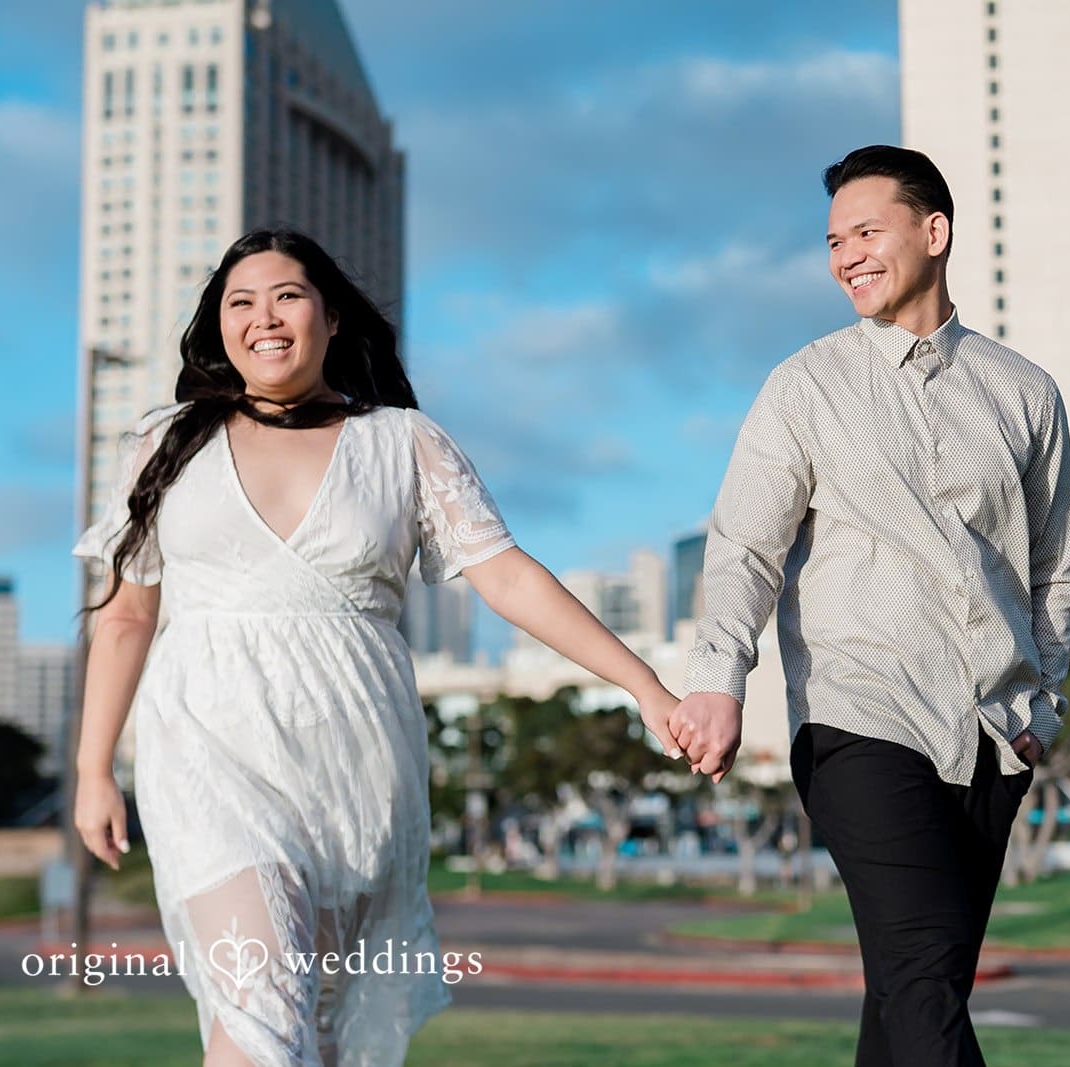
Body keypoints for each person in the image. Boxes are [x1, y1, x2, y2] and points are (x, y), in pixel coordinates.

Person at [72, 229, 682, 1067]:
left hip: (353, 767)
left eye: (286, 295)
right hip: (206, 752)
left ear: (329, 314)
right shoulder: (167, 442)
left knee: (313, 1025)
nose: (264, 317)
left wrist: (645, 685)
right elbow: (125, 617)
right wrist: (93, 766)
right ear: (218, 326)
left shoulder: (402, 444)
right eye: (239, 302)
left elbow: (507, 579)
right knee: (261, 992)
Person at [669, 145, 1070, 1066]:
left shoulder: (1024, 392)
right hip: (860, 719)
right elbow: (744, 547)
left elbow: (1056, 566)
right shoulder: (804, 387)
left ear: (933, 233)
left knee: (911, 988)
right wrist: (718, 681)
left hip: (990, 732)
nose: (844, 255)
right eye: (831, 240)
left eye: (865, 231)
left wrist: (1042, 707)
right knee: (924, 981)